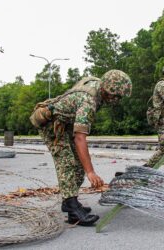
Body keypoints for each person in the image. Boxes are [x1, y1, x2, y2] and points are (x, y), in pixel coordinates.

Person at [32, 70, 132, 226]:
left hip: (67, 123)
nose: (116, 100)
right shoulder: (89, 102)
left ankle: (70, 201)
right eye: (116, 96)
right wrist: (91, 172)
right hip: (53, 124)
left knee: (79, 165)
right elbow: (80, 139)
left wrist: (86, 168)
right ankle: (72, 207)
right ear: (107, 92)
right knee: (66, 162)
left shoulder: (100, 86)